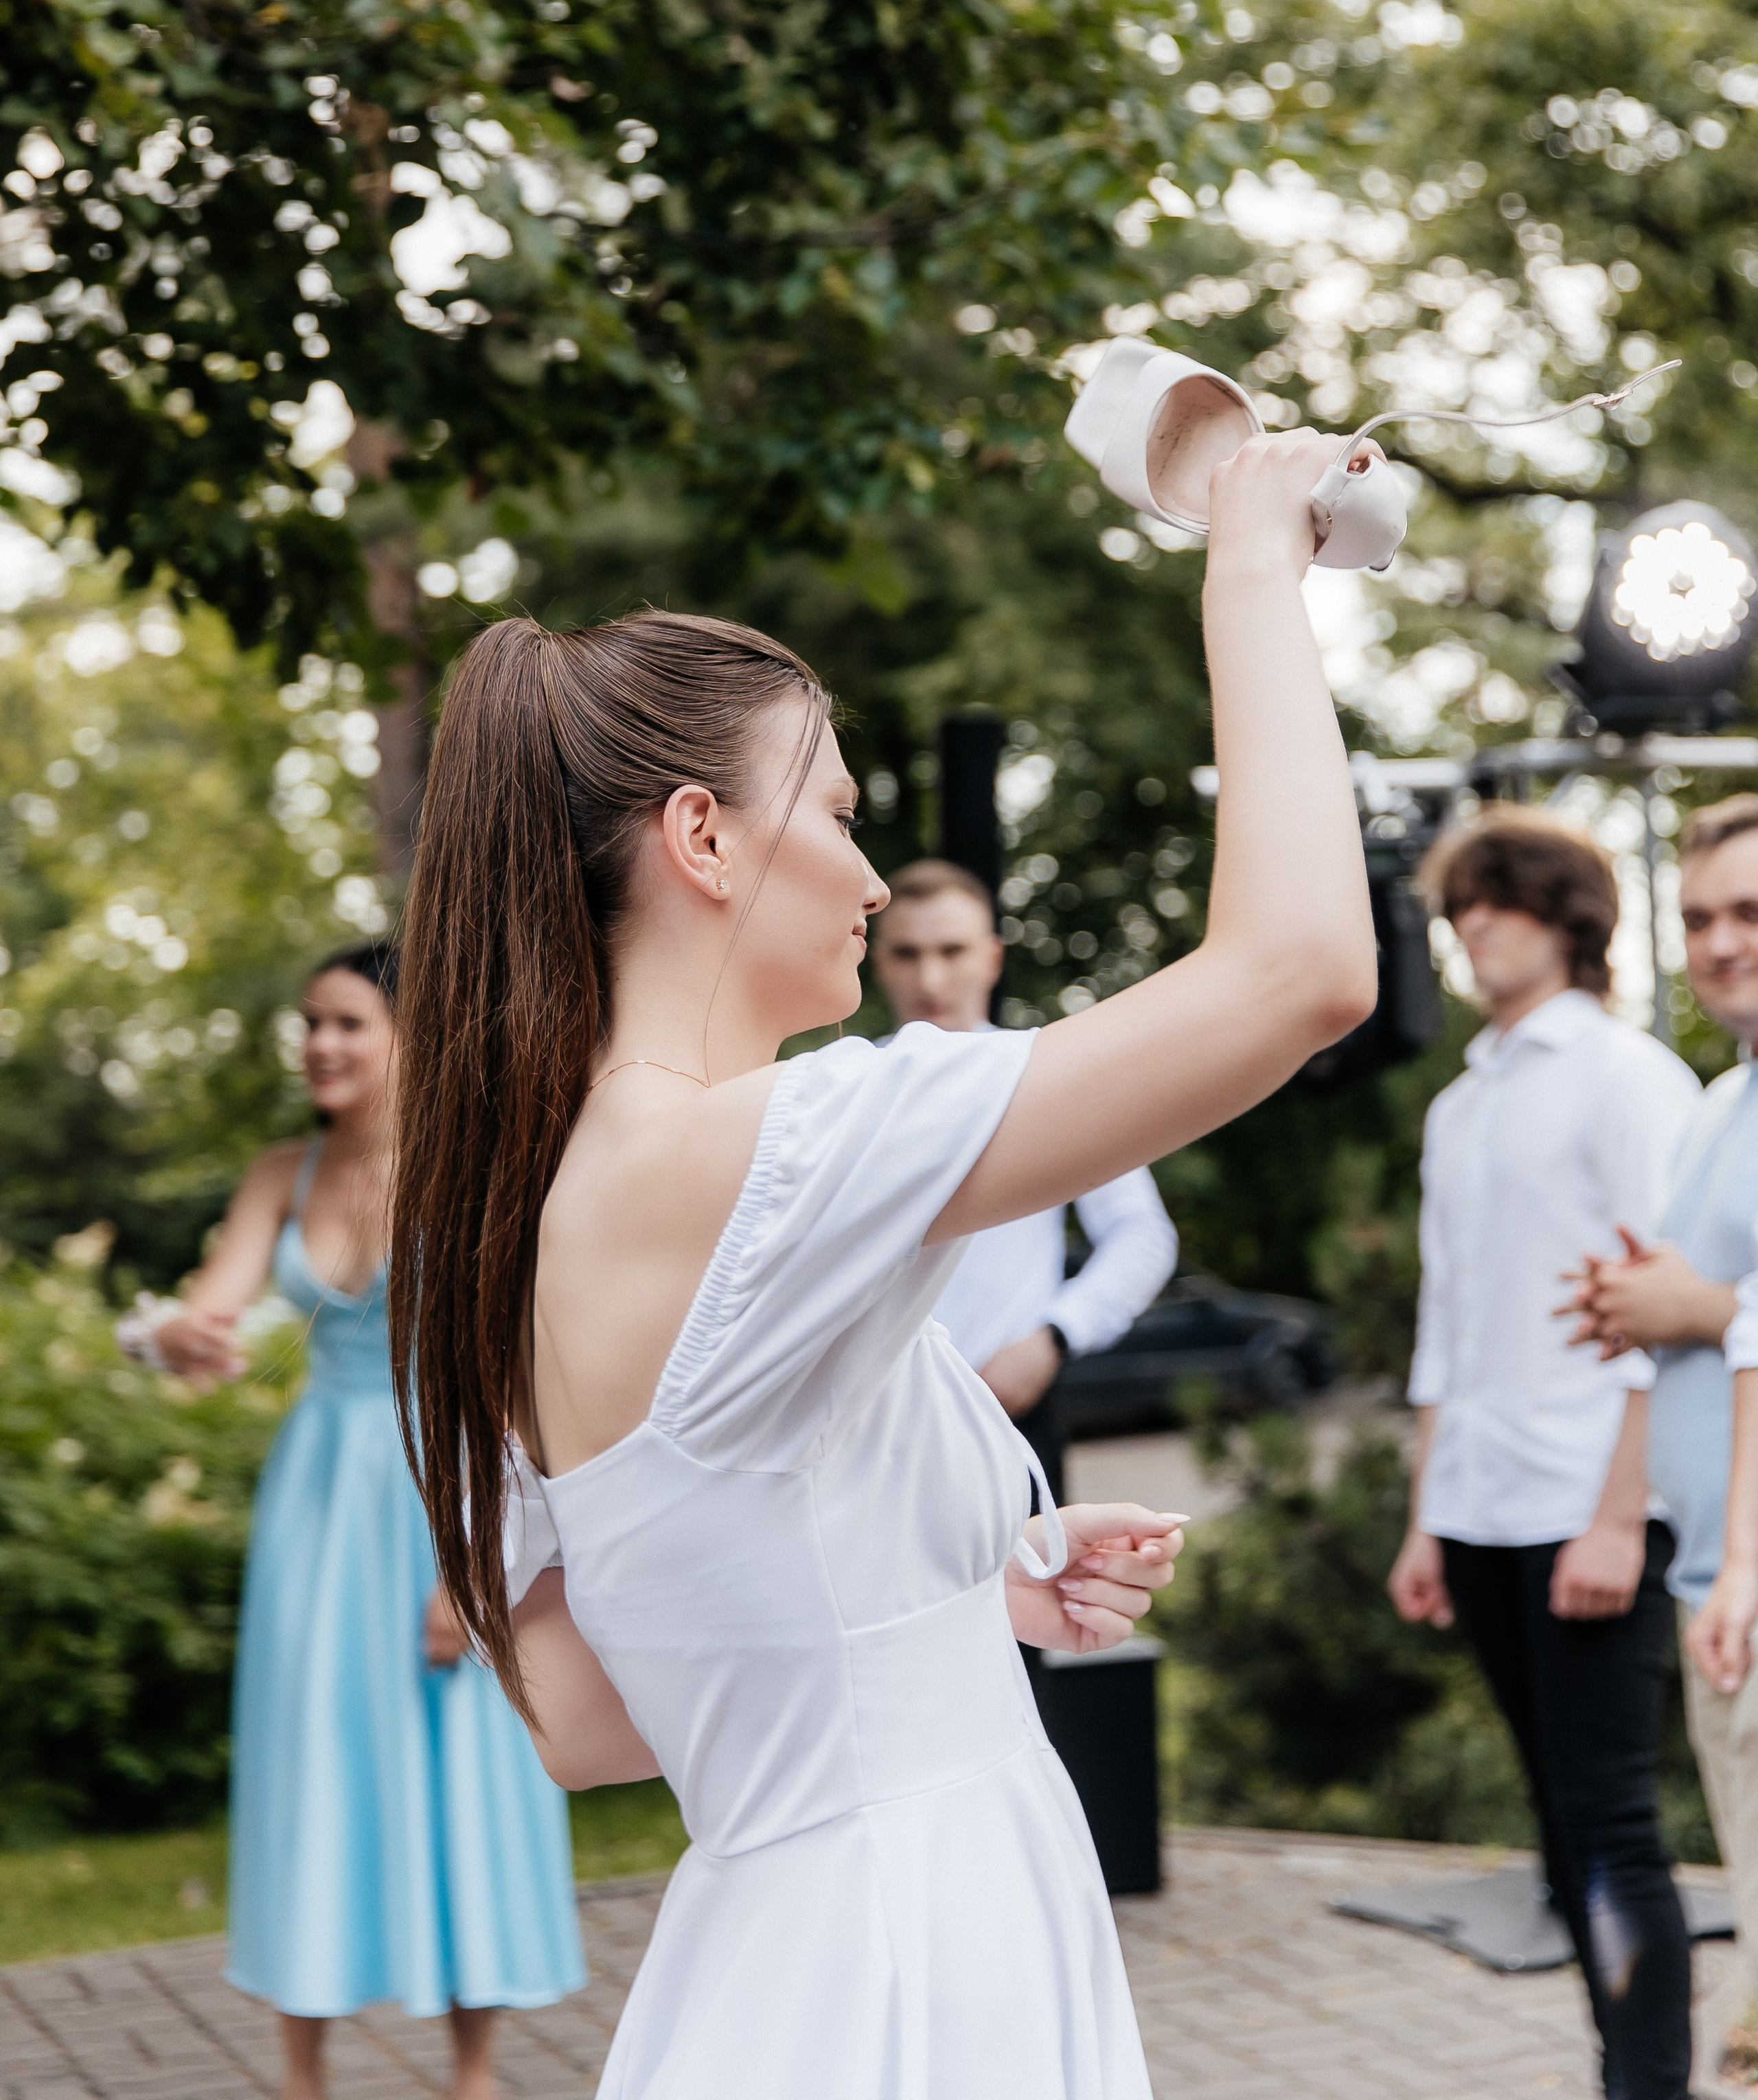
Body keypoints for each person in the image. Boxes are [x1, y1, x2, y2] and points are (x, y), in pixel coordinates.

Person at [388, 422, 1378, 2100]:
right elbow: (1298, 971)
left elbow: (578, 1715)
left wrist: (942, 1615)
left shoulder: (526, 1215)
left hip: (791, 1953)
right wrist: (1247, 556)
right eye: (836, 811)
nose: (864, 869)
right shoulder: (754, 1150)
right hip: (911, 1965)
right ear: (700, 836)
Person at [144, 946, 584, 2100]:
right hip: (318, 1503)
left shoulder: (472, 1170)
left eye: (347, 1024)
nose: (321, 1046)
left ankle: (474, 2073)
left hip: (445, 1483)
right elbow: (205, 1320)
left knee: (466, 1755)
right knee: (310, 1758)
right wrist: (169, 1339)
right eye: (310, 1025)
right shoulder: (279, 1170)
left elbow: (508, 1372)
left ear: (409, 1036)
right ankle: (303, 2077)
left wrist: (477, 1560)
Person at [1386, 810, 1702, 2100]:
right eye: (1463, 906)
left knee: (1617, 1828)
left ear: (1569, 918)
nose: (1475, 924)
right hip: (1481, 1504)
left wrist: (1621, 1516)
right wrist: (1424, 1514)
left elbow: (1661, 1315)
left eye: (1503, 900)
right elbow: (1444, 1324)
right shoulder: (1461, 1107)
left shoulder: (1630, 1076)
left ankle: (1651, 2087)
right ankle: (1616, 2070)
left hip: (1598, 1504)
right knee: (1565, 1836)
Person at [1570, 798, 1758, 2080]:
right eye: (1698, 917)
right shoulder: (1721, 1103)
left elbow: (1730, 1324)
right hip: (1714, 1590)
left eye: (1750, 912)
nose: (1720, 941)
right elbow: (1694, 1332)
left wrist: (1705, 1307)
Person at [869, 857, 1177, 1505]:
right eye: (907, 953)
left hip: (1010, 1419)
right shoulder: (844, 1088)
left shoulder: (1048, 1079)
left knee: (1028, 1604)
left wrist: (1053, 1337)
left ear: (991, 958)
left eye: (951, 951)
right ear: (879, 959)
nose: (930, 977)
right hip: (866, 1432)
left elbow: (1142, 1233)